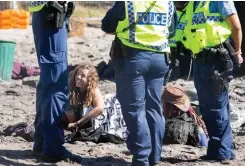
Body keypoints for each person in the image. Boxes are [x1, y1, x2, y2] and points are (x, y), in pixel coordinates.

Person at [102, 1, 177, 165]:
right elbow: (172, 31)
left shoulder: (128, 2)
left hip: (133, 58)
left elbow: (106, 26)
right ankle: (154, 156)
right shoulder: (168, 3)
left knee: (134, 109)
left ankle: (142, 157)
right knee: (154, 107)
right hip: (160, 58)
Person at [181, 1, 243, 162]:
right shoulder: (194, 4)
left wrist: (237, 51)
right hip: (201, 59)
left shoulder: (219, 1)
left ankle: (222, 153)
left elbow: (236, 27)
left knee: (216, 107)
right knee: (209, 107)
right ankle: (221, 150)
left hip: (216, 59)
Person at [28, 1, 82, 163]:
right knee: (56, 85)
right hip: (51, 13)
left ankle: (43, 141)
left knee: (48, 83)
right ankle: (52, 147)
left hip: (49, 13)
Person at [65, 63, 104, 130]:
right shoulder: (73, 90)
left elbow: (99, 108)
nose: (78, 77)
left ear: (90, 79)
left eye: (83, 76)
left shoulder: (93, 90)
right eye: (77, 74)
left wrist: (78, 123)